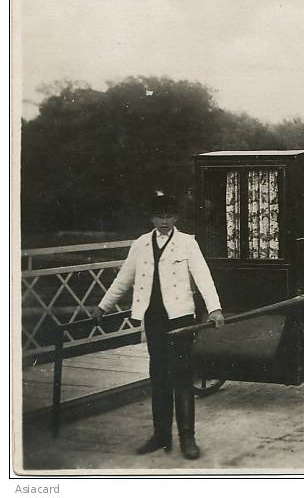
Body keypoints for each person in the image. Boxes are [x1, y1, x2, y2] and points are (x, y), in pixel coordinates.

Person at [92, 192, 224, 460]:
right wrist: (102, 306)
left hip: (180, 319)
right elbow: (123, 279)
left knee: (183, 376)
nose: (164, 221)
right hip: (153, 319)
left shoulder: (188, 243)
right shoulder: (140, 245)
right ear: (151, 217)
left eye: (169, 216)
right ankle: (160, 435)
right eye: (159, 216)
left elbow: (203, 277)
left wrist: (215, 308)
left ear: (176, 217)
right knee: (159, 376)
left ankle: (188, 438)